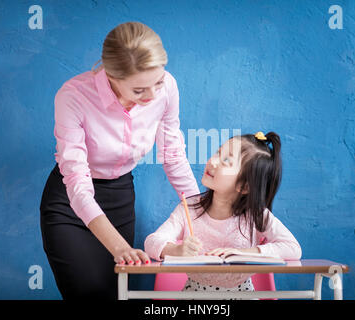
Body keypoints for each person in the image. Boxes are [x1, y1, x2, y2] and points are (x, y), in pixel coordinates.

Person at [40, 21, 199, 300]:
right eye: (139, 90)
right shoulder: (73, 96)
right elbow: (76, 181)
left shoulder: (167, 88)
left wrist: (202, 213)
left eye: (158, 83)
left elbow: (173, 154)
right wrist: (118, 246)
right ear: (111, 75)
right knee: (88, 291)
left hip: (120, 196)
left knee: (115, 293)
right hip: (71, 202)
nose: (152, 96)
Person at [144, 131, 301, 294]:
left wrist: (243, 254)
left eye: (226, 160)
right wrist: (176, 251)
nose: (213, 161)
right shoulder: (189, 208)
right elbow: (151, 242)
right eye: (218, 152)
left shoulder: (256, 215)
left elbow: (292, 248)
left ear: (245, 186)